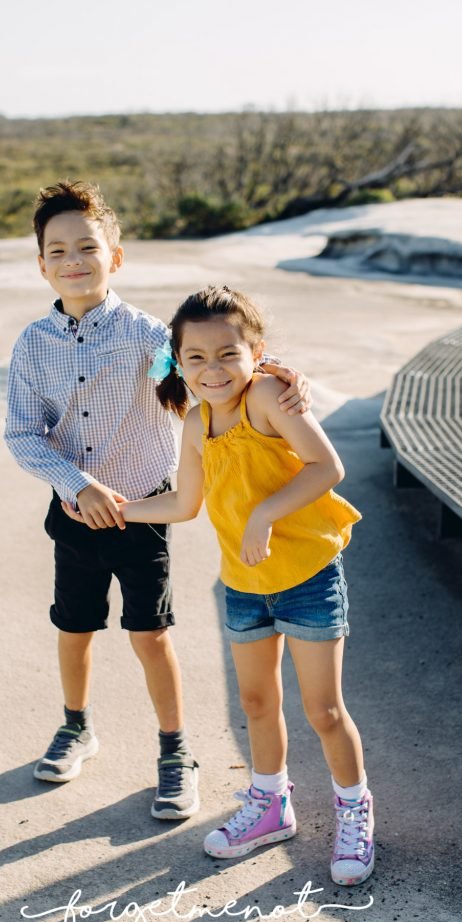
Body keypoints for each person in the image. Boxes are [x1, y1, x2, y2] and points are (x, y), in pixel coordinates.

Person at [4, 182, 311, 821]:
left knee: (150, 634)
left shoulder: (147, 337)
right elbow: (22, 433)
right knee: (74, 628)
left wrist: (278, 368)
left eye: (87, 247)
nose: (73, 261)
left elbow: (212, 366)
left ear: (114, 257)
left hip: (145, 511)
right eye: (57, 250)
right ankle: (76, 727)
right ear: (41, 264)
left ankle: (176, 753)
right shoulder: (33, 345)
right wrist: (75, 485)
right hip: (74, 512)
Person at [114, 284, 374, 884]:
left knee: (324, 709)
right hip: (243, 585)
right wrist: (120, 509)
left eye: (229, 353)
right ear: (179, 361)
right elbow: (183, 504)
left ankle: (354, 810)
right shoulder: (197, 419)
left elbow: (328, 467)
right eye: (196, 357)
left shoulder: (267, 397)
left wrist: (264, 514)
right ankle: (269, 805)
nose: (213, 369)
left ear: (257, 353)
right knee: (257, 703)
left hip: (307, 575)